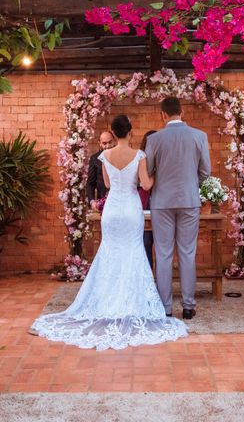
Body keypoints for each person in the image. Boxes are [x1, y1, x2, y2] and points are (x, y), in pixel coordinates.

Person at [30, 115, 187, 350]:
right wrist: (156, 174)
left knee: (110, 251)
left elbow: (109, 184)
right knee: (133, 251)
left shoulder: (104, 156)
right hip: (132, 209)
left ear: (113, 133)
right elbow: (145, 184)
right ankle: (131, 303)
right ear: (131, 132)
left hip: (112, 209)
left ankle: (106, 301)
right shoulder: (140, 156)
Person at [145, 97, 211, 320]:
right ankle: (189, 306)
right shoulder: (199, 136)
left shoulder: (154, 139)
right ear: (181, 112)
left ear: (163, 115)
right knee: (187, 253)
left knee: (163, 254)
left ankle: (165, 307)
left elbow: (150, 170)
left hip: (162, 202)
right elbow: (205, 172)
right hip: (189, 200)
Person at [139, 130, 156, 268]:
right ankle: (149, 277)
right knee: (146, 241)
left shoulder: (163, 157)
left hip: (162, 201)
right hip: (144, 203)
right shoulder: (140, 159)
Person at [87, 131, 115, 208]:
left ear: (114, 140)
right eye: (104, 143)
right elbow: (90, 183)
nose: (108, 146)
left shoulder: (120, 156)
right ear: (100, 143)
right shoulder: (94, 159)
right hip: (103, 201)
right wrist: (92, 201)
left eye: (110, 142)